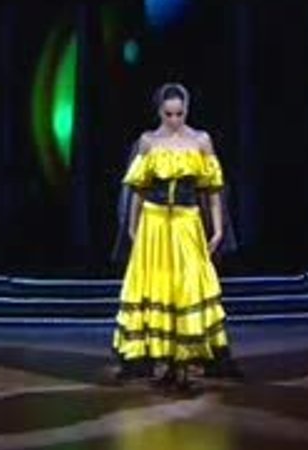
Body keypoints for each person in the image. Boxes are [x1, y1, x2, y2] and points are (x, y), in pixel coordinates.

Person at [111, 83, 242, 393]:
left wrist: (218, 229)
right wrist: (132, 227)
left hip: (186, 222)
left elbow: (212, 189)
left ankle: (186, 362)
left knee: (188, 286)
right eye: (168, 114)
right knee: (158, 286)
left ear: (187, 111)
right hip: (154, 223)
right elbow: (138, 188)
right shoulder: (148, 142)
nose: (174, 120)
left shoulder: (200, 140)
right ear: (159, 112)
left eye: (179, 114)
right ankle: (165, 362)